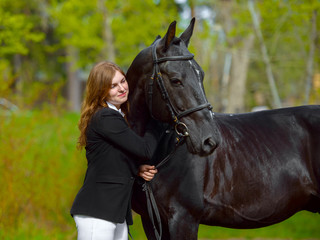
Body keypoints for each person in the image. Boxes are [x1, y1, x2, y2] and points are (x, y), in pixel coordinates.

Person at [70, 61, 163, 240]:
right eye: (113, 86)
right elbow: (145, 150)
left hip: (115, 213)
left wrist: (136, 169)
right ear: (100, 90)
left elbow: (109, 160)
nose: (122, 88)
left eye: (123, 81)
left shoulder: (114, 116)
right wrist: (156, 122)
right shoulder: (105, 116)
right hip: (97, 213)